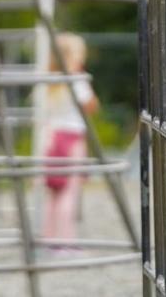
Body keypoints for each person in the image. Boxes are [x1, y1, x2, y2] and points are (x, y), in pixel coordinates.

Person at [41, 32, 99, 248]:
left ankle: (49, 238)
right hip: (72, 139)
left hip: (49, 139)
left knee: (52, 193)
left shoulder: (46, 81)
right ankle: (66, 241)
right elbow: (91, 106)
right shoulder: (77, 81)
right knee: (69, 193)